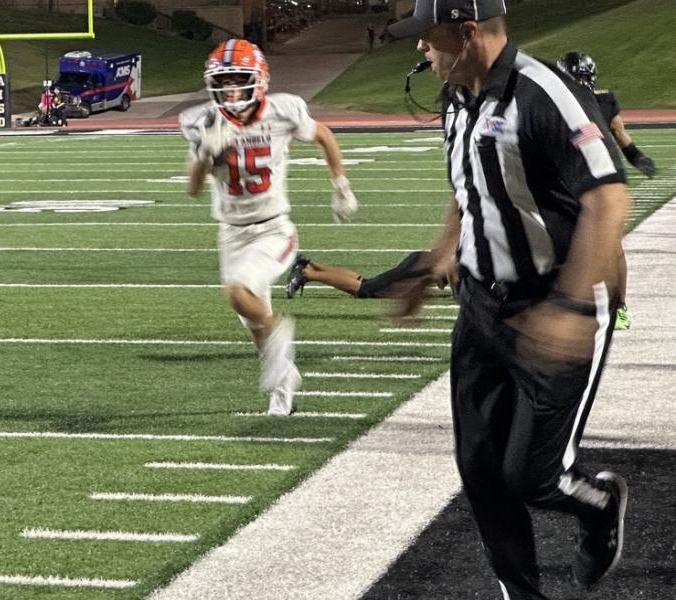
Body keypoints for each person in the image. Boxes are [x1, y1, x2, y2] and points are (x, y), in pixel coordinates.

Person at [387, 2, 630, 597]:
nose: (421, 49)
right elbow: (468, 187)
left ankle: (599, 506)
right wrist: (436, 259)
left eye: (428, 36)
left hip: (548, 306)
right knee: (479, 469)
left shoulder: (545, 93)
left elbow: (609, 199)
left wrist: (571, 307)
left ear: (466, 31)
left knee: (533, 476)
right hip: (479, 307)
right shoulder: (457, 95)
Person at [180, 38, 357, 416]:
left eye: (237, 80)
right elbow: (193, 188)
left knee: (238, 292)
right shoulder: (202, 121)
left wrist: (340, 184)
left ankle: (281, 335)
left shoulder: (283, 111)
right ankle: (282, 390)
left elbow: (323, 134)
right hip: (230, 232)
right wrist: (204, 153)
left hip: (273, 228)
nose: (230, 89)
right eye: (223, 81)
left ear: (257, 80)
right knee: (252, 321)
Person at [557, 50, 656, 330]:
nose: (580, 82)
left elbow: (620, 136)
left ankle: (620, 306)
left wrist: (638, 159)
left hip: (599, 183)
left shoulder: (604, 102)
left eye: (583, 77)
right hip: (567, 184)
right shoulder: (553, 104)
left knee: (612, 248)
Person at [284, 251, 449, 299]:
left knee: (364, 282)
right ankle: (306, 274)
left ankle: (309, 265)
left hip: (422, 261)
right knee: (364, 289)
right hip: (420, 267)